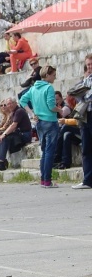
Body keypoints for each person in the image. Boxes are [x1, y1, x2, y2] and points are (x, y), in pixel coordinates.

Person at [20, 65, 62, 188]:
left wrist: (32, 113)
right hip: (50, 121)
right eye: (53, 75)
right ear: (47, 75)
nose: (55, 77)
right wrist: (59, 110)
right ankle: (47, 180)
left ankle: (44, 180)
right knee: (49, 151)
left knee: (44, 152)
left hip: (39, 122)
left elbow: (22, 100)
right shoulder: (49, 88)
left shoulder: (33, 88)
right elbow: (50, 106)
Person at [0, 97, 32, 171]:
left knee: (3, 138)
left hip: (25, 135)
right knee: (0, 137)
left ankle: (2, 163)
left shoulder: (19, 111)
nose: (9, 105)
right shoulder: (13, 112)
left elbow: (13, 125)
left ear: (15, 103)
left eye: (11, 103)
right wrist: (2, 134)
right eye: (8, 104)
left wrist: (4, 135)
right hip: (18, 134)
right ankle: (0, 162)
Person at [72, 54, 92, 190]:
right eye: (88, 65)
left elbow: (88, 96)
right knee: (86, 148)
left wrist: (84, 95)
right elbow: (80, 96)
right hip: (85, 115)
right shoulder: (86, 79)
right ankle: (87, 180)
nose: (89, 67)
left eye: (91, 64)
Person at [54, 95, 81, 169]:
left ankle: (56, 157)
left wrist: (65, 121)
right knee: (66, 134)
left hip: (86, 132)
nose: (68, 105)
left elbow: (78, 121)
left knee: (66, 127)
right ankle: (65, 163)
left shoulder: (82, 106)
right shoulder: (75, 108)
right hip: (79, 132)